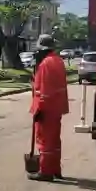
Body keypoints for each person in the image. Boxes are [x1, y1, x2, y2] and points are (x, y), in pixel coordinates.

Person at [29, 34, 70, 181]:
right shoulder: (58, 61)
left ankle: (45, 172)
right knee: (54, 141)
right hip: (56, 108)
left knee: (44, 141)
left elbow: (44, 91)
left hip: (46, 108)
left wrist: (39, 109)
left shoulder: (46, 64)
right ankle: (55, 169)